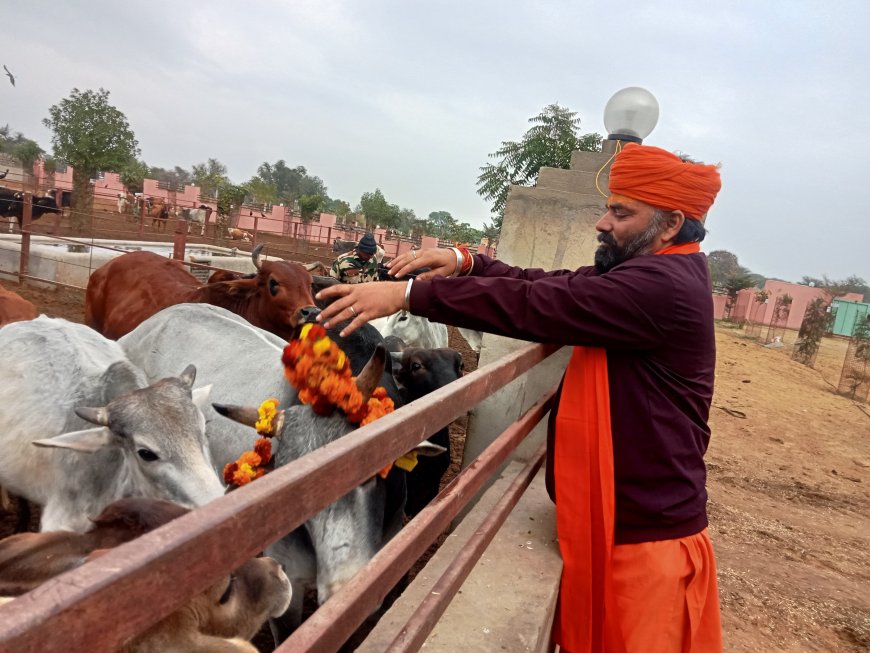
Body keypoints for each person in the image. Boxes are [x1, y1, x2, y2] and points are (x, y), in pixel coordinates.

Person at [316, 143, 724, 653]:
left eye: (621, 212)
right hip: (620, 522)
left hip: (647, 541)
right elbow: (547, 283)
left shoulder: (663, 286)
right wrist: (468, 263)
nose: (603, 223)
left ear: (670, 225)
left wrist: (409, 295)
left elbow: (539, 303)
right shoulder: (649, 275)